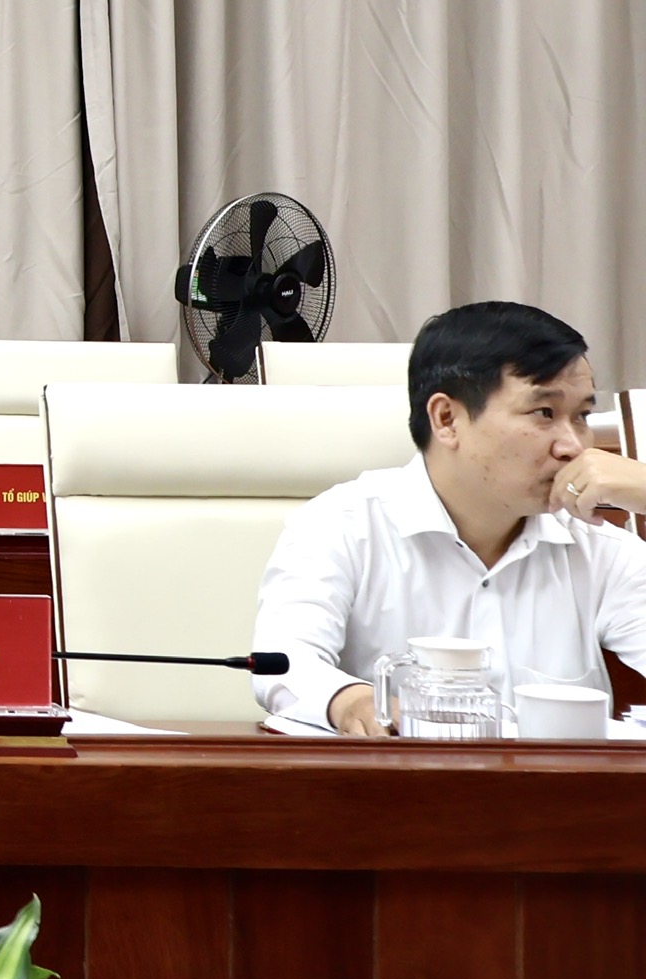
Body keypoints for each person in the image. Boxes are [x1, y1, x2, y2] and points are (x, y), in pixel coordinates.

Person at [253, 300, 646, 736]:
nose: (573, 446)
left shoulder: (600, 550)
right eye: (544, 413)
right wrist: (351, 702)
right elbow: (283, 664)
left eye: (582, 416)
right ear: (447, 419)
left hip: (555, 782)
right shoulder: (342, 526)